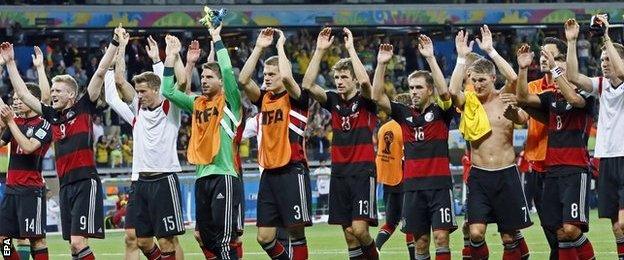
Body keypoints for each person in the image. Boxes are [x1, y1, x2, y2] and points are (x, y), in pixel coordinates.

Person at [0, 25, 122, 259]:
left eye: (58, 90)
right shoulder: (53, 116)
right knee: (70, 246)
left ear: (71, 95)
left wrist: (115, 44)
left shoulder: (83, 107)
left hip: (85, 182)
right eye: (52, 90)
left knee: (74, 242)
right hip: (65, 186)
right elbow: (25, 94)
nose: (53, 93)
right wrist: (11, 62)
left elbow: (99, 72)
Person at [449, 25, 531, 260]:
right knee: (475, 233)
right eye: (474, 80)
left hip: (506, 174)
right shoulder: (469, 101)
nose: (478, 84)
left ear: (493, 78)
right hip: (479, 175)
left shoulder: (506, 97)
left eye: (483, 80)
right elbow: (452, 90)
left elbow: (514, 77)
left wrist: (491, 51)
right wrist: (461, 59)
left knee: (508, 236)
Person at [161, 23, 243, 259]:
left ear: (220, 81)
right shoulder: (196, 103)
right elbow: (167, 91)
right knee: (206, 238)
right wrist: (171, 57)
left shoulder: (229, 102)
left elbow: (227, 72)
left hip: (224, 175)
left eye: (209, 77)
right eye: (203, 76)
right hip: (201, 177)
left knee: (225, 238)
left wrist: (216, 38)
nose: (204, 80)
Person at [104, 32, 186, 260]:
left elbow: (174, 85)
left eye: (143, 92)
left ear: (156, 90)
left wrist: (161, 60)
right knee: (141, 240)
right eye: (137, 92)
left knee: (168, 240)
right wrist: (118, 52)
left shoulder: (170, 110)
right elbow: (116, 89)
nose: (139, 96)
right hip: (141, 182)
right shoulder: (136, 113)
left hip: (164, 179)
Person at [373, 36, 457, 259]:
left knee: (441, 238)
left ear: (430, 90)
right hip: (412, 188)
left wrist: (430, 58)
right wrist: (381, 64)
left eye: (419, 87)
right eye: (411, 88)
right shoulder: (403, 113)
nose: (414, 92)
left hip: (439, 186)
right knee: (420, 243)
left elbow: (446, 94)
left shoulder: (442, 113)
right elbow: (376, 96)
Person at [302, 27, 378, 260]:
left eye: (344, 77)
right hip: (340, 172)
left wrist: (350, 48)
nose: (339, 81)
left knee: (360, 230)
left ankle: (375, 255)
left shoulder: (366, 101)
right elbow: (307, 84)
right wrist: (319, 50)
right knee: (348, 233)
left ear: (353, 78)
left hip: (362, 171)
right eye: (337, 77)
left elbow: (366, 81)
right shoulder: (332, 100)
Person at [517, 42, 596, 259]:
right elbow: (523, 98)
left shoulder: (586, 95)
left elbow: (574, 99)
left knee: (571, 229)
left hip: (575, 170)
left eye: (560, 69)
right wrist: (523, 69)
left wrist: (555, 69)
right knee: (559, 231)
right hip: (552, 172)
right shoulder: (550, 98)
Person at [239, 27, 312, 260]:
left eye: (271, 74)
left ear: (283, 75)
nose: (266, 78)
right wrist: (259, 47)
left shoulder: (297, 99)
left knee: (296, 232)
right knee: (264, 237)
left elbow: (289, 78)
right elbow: (243, 80)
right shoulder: (264, 100)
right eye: (265, 74)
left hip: (292, 169)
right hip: (269, 174)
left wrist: (280, 46)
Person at [565, 17, 624, 259]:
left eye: (608, 59)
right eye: (601, 60)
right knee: (615, 225)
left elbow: (621, 71)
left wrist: (607, 36)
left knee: (623, 223)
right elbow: (572, 77)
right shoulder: (601, 85)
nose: (604, 64)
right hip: (605, 158)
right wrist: (571, 42)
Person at [0, 49, 52, 260]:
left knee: (35, 239)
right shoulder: (16, 122)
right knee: (3, 239)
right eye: (14, 98)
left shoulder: (44, 124)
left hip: (31, 190)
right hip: (11, 188)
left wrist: (40, 68)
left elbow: (29, 147)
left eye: (20, 98)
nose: (16, 101)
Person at [520, 37, 568, 260]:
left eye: (549, 54)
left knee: (566, 229)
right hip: (537, 166)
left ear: (561, 59)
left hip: (563, 165)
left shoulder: (568, 87)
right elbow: (521, 116)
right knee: (549, 226)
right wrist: (513, 112)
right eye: (542, 54)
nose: (543, 58)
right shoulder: (533, 86)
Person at [373, 93, 415, 259]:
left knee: (391, 222)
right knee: (411, 222)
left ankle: (375, 248)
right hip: (403, 179)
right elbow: (407, 155)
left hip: (387, 180)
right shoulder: (405, 127)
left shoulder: (383, 128)